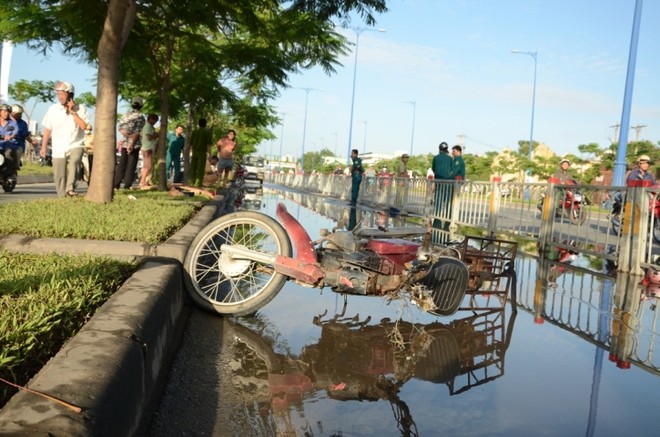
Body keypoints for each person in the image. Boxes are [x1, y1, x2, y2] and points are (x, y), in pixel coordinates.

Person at [40, 81, 89, 197]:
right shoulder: (53, 109)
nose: (60, 97)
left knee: (74, 161)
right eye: (58, 94)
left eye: (62, 94)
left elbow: (83, 126)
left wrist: (73, 112)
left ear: (70, 95)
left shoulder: (81, 108)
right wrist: (43, 147)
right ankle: (62, 196)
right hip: (58, 145)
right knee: (58, 173)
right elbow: (47, 129)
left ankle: (70, 188)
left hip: (76, 143)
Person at [114, 97, 146, 189]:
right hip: (134, 145)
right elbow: (137, 132)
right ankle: (127, 185)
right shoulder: (141, 117)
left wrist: (127, 135)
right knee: (131, 165)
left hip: (124, 142)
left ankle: (116, 184)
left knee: (122, 164)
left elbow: (120, 128)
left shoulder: (126, 115)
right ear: (141, 106)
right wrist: (131, 144)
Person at [189, 118, 213, 187]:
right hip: (202, 152)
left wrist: (187, 150)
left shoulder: (194, 132)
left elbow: (190, 143)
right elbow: (208, 145)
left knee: (193, 167)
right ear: (205, 124)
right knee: (200, 168)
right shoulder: (207, 133)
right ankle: (198, 183)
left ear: (198, 124)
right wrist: (209, 154)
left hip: (194, 151)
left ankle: (191, 182)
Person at [139, 113, 158, 188]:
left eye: (155, 120)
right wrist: (157, 135)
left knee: (146, 166)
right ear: (149, 119)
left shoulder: (149, 127)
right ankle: (142, 181)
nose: (154, 122)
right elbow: (149, 137)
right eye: (153, 120)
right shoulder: (148, 127)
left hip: (148, 147)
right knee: (148, 166)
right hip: (148, 148)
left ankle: (144, 180)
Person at [0, 104, 19, 180]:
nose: (6, 113)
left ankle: (10, 173)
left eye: (8, 112)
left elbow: (15, 132)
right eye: (4, 111)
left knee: (8, 153)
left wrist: (11, 136)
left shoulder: (12, 123)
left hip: (7, 145)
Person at [11, 104, 33, 169]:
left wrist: (32, 142)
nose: (20, 115)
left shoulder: (23, 124)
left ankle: (15, 166)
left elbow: (26, 136)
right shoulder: (4, 121)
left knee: (18, 151)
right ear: (12, 113)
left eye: (21, 114)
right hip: (5, 144)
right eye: (19, 114)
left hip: (18, 145)